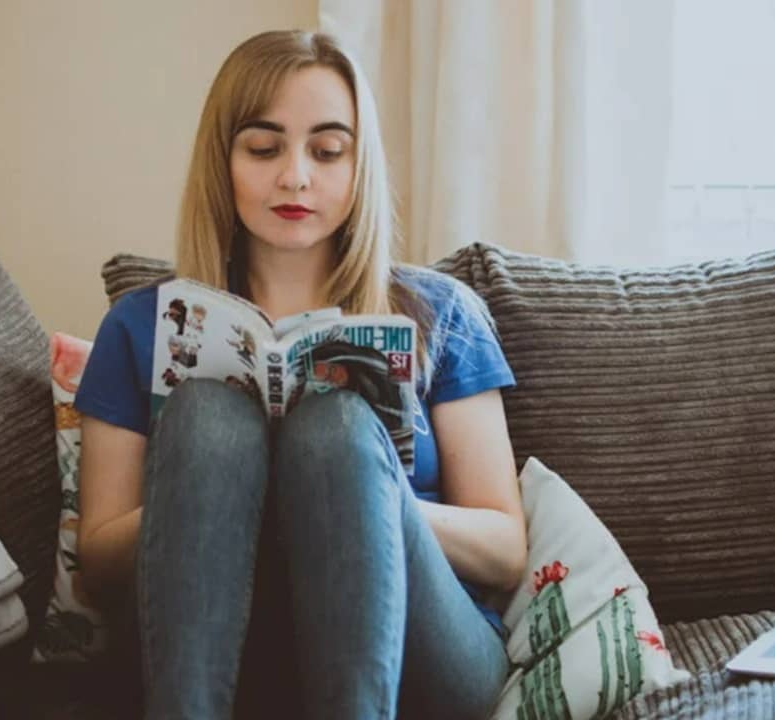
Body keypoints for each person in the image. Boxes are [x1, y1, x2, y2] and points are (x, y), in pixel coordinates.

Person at [74, 29, 526, 720]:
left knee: (337, 430)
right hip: (223, 651)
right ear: (222, 160)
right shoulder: (142, 325)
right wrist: (218, 487)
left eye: (326, 150)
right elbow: (100, 563)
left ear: (358, 166)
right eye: (263, 148)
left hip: (425, 658)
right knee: (209, 416)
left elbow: (504, 550)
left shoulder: (444, 313)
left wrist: (362, 495)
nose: (295, 176)